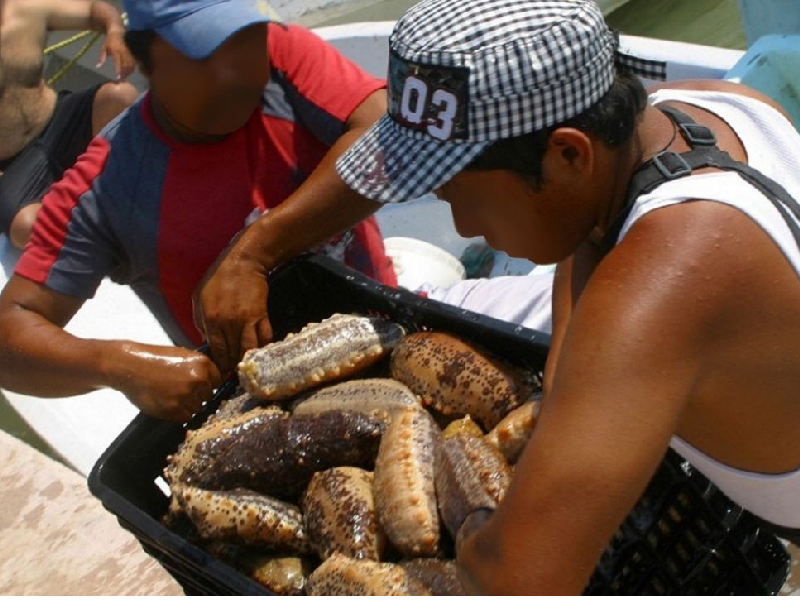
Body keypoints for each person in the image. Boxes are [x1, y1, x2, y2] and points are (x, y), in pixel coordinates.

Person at [333, 0, 800, 593]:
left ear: (570, 155)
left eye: (455, 192)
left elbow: (517, 581)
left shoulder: (663, 285)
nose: (464, 225)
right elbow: (591, 237)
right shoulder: (703, 108)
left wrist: (464, 503)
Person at [0, 0, 397, 422]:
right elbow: (11, 335)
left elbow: (390, 136)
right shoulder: (105, 186)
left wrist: (252, 254)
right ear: (145, 60)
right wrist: (117, 365)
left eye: (246, 39)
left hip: (384, 327)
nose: (239, 71)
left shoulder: (282, 52)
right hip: (267, 408)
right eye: (206, 54)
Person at [0, 0, 138, 249]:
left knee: (121, 96)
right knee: (27, 229)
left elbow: (95, 10)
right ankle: (90, 222)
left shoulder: (26, 8)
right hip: (14, 163)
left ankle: (112, 201)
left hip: (60, 120)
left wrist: (115, 33)